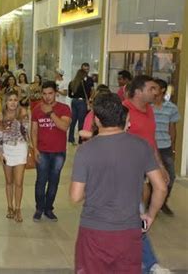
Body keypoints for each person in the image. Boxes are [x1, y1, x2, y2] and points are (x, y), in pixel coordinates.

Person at [70, 93, 167, 274]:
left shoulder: (85, 151)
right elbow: (161, 187)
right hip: (129, 231)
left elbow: (75, 196)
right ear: (123, 118)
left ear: (97, 120)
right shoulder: (142, 146)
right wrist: (150, 215)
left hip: (94, 232)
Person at [122, 75, 171, 273]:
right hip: (126, 174)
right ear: (139, 91)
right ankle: (149, 264)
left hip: (144, 171)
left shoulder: (149, 110)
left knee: (136, 217)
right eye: (151, 88)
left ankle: (146, 263)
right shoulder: (123, 110)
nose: (156, 92)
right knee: (136, 216)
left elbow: (151, 141)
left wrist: (160, 165)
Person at [31, 81, 71, 222]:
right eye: (44, 94)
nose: (47, 97)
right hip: (42, 151)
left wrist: (51, 113)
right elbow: (34, 130)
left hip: (58, 152)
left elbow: (64, 127)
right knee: (41, 181)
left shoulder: (64, 108)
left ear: (56, 93)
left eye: (50, 93)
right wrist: (34, 148)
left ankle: (49, 208)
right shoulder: (36, 109)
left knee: (54, 181)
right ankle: (39, 208)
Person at [0, 91, 30, 222]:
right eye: (10, 100)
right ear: (6, 102)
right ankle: (9, 206)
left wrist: (17, 120)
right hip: (6, 149)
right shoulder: (0, 115)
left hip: (20, 147)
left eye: (15, 99)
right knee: (9, 181)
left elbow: (26, 132)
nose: (13, 102)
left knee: (19, 182)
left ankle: (18, 208)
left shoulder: (23, 113)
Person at [152, 79, 180, 216]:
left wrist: (173, 148)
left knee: (171, 176)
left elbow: (173, 129)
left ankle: (163, 202)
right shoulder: (147, 107)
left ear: (162, 90)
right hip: (149, 147)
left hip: (165, 147)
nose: (152, 90)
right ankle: (151, 202)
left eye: (154, 88)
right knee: (148, 178)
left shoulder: (172, 108)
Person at [68, 66, 94, 145]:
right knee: (81, 121)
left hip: (74, 101)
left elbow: (70, 95)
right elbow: (89, 92)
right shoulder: (85, 83)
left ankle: (70, 138)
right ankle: (80, 139)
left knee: (73, 121)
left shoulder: (72, 83)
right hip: (82, 102)